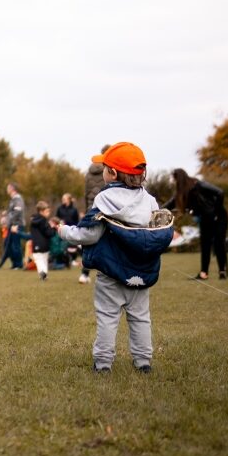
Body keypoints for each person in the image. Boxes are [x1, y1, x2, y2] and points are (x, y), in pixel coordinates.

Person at [57, 141, 173, 374]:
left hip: (111, 273)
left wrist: (64, 231)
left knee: (108, 317)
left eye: (105, 167)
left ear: (112, 173)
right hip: (141, 270)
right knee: (140, 317)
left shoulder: (105, 199)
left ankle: (103, 364)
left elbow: (90, 234)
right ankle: (143, 362)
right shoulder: (149, 200)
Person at [163, 169, 228, 280]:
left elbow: (220, 192)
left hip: (220, 217)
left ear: (179, 178)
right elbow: (169, 205)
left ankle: (222, 271)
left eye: (175, 180)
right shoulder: (181, 193)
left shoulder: (199, 185)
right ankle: (204, 273)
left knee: (218, 243)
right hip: (206, 218)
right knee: (205, 245)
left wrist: (216, 212)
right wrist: (155, 211)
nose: (174, 183)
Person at [79, 144, 110, 285]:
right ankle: (107, 273)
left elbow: (86, 194)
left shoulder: (89, 172)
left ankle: (84, 274)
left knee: (91, 242)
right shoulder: (110, 170)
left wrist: (87, 211)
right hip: (106, 209)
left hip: (91, 209)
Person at [29, 201, 57, 281]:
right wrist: (53, 228)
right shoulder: (44, 221)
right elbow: (49, 233)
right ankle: (44, 274)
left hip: (36, 244)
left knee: (39, 259)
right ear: (41, 211)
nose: (48, 213)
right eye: (47, 211)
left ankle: (43, 273)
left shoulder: (33, 220)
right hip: (45, 244)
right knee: (43, 259)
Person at [5, 183, 26, 270]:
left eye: (8, 188)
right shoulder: (13, 199)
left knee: (16, 245)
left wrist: (9, 218)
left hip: (17, 224)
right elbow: (12, 211)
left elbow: (17, 211)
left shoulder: (18, 198)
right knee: (8, 244)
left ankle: (19, 264)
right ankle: (14, 264)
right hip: (12, 225)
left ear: (12, 189)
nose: (7, 190)